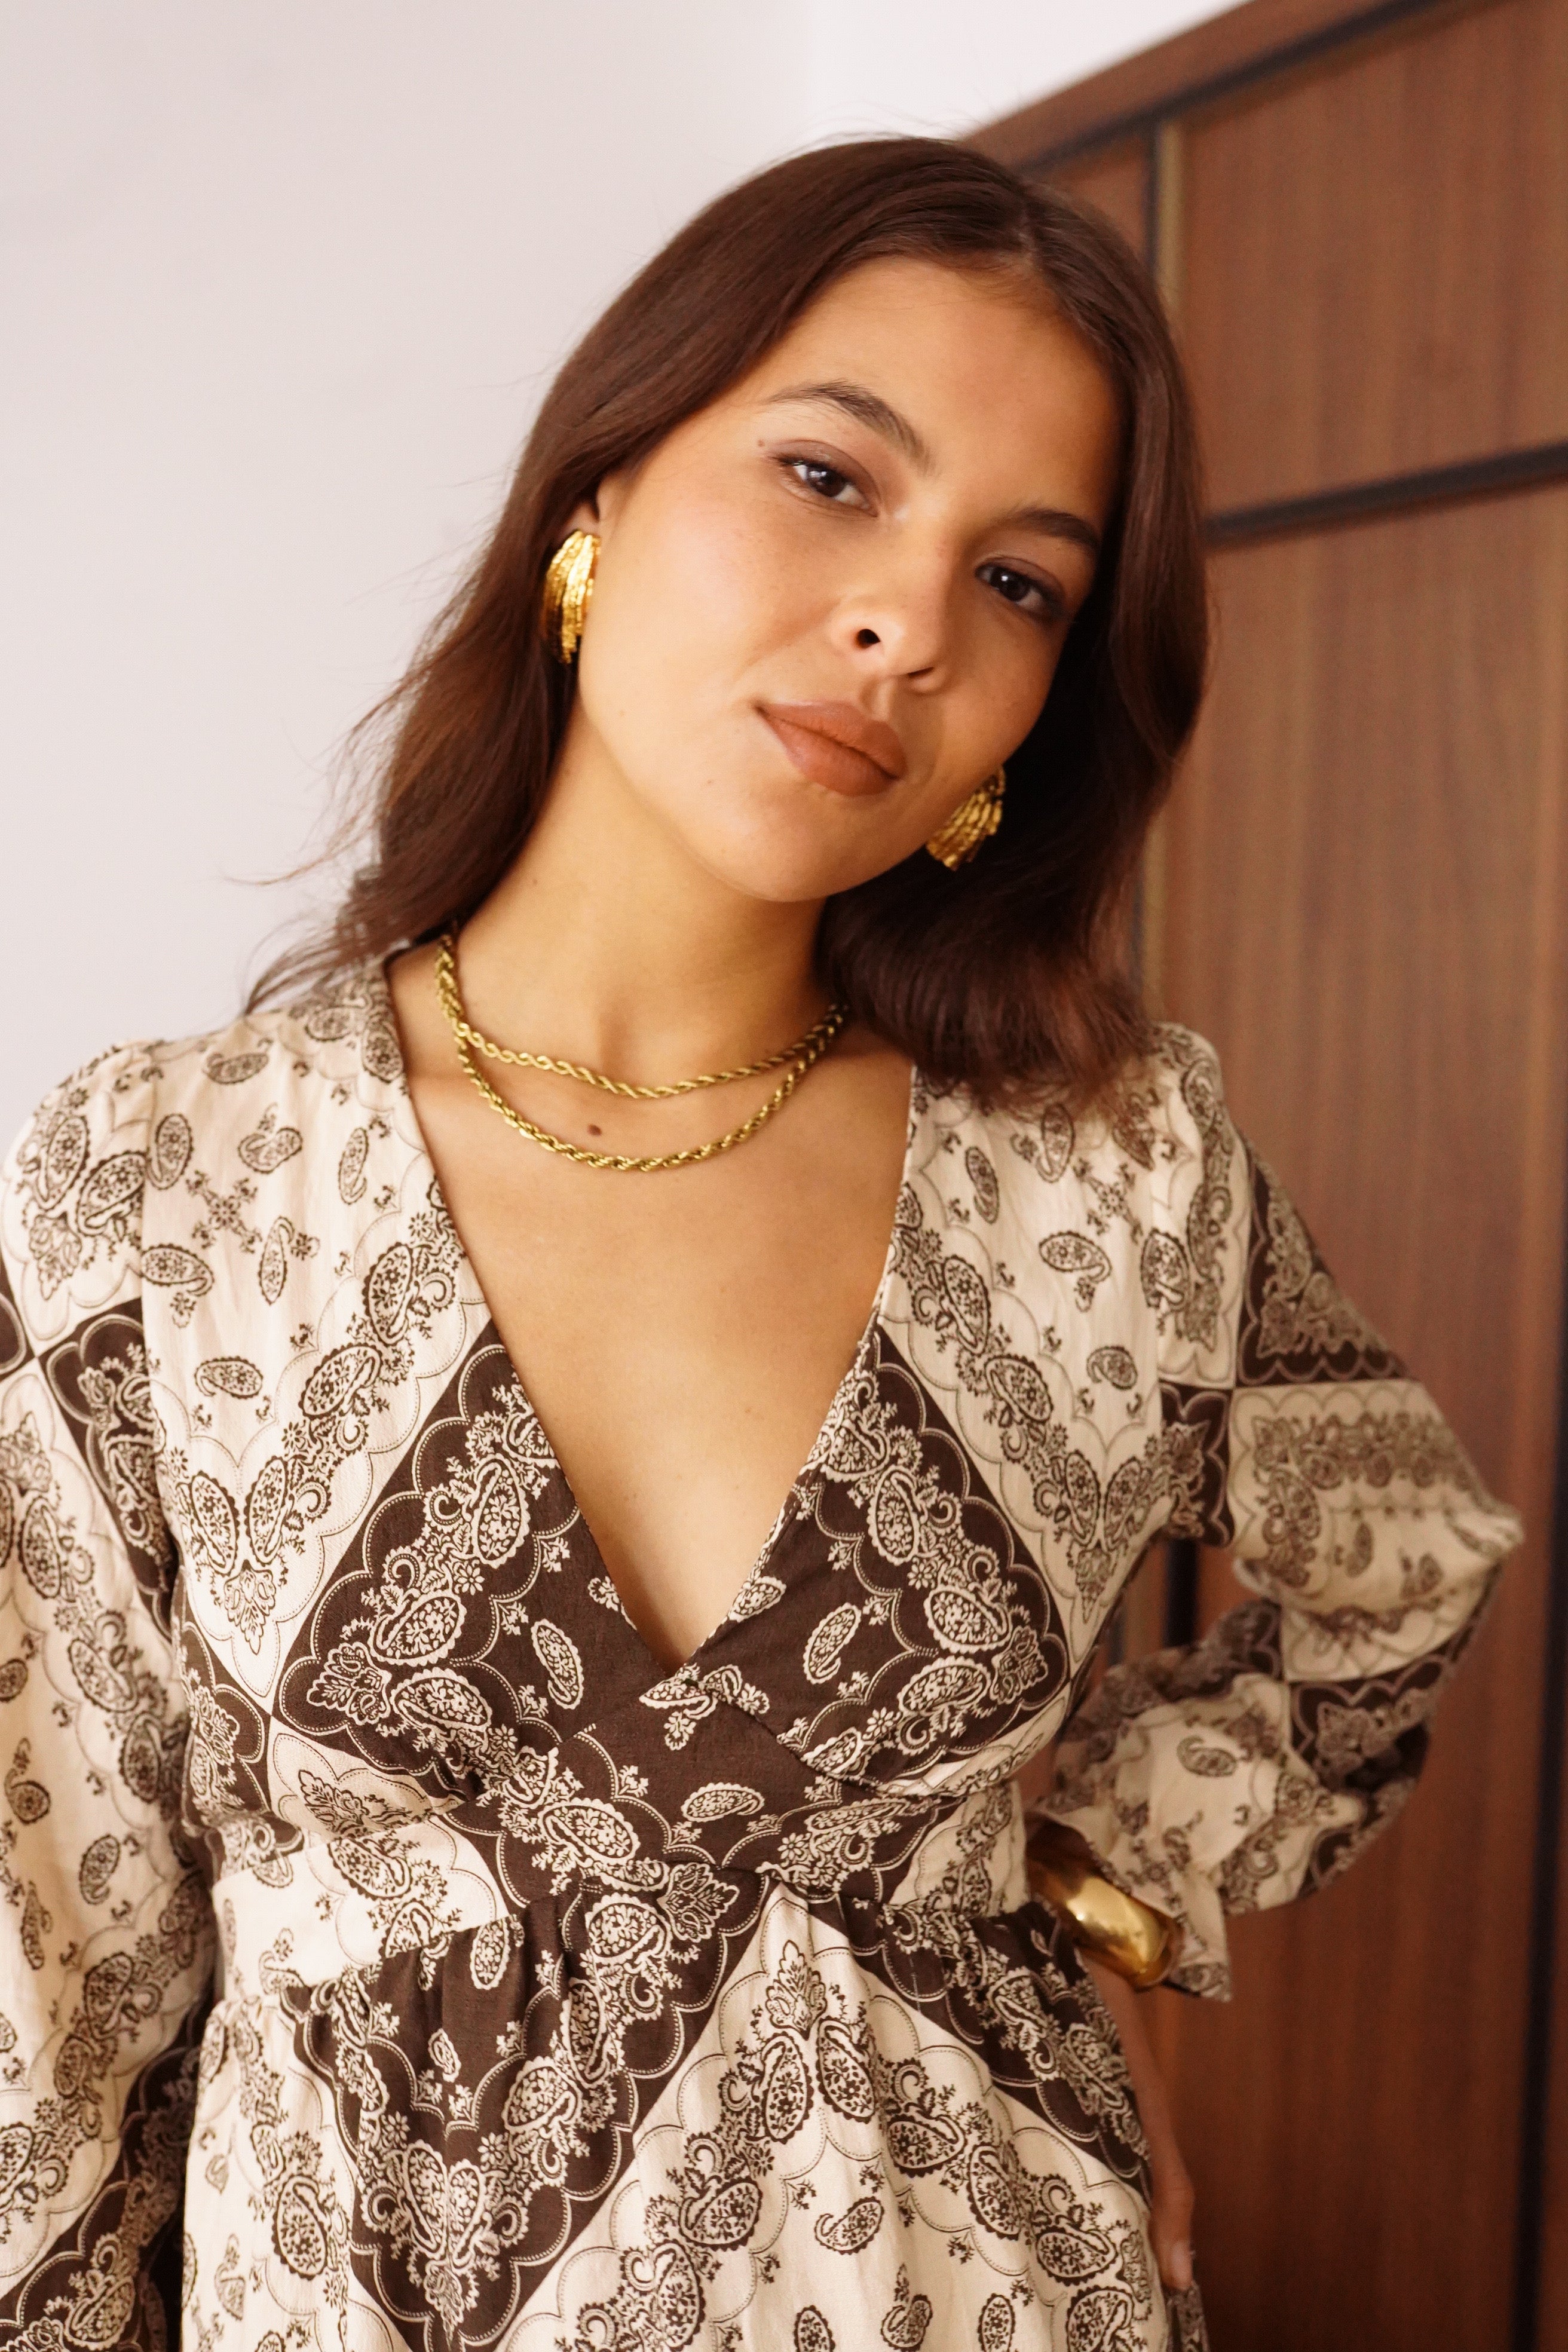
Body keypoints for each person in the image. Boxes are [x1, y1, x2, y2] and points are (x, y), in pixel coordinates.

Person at [0, 139, 1518, 2352]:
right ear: (597, 502)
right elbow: (50, 1966)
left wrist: (1099, 1903)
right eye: (830, 477)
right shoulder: (163, 1182)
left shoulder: (1111, 1175)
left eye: (1022, 582)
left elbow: (1403, 1568)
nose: (909, 622)